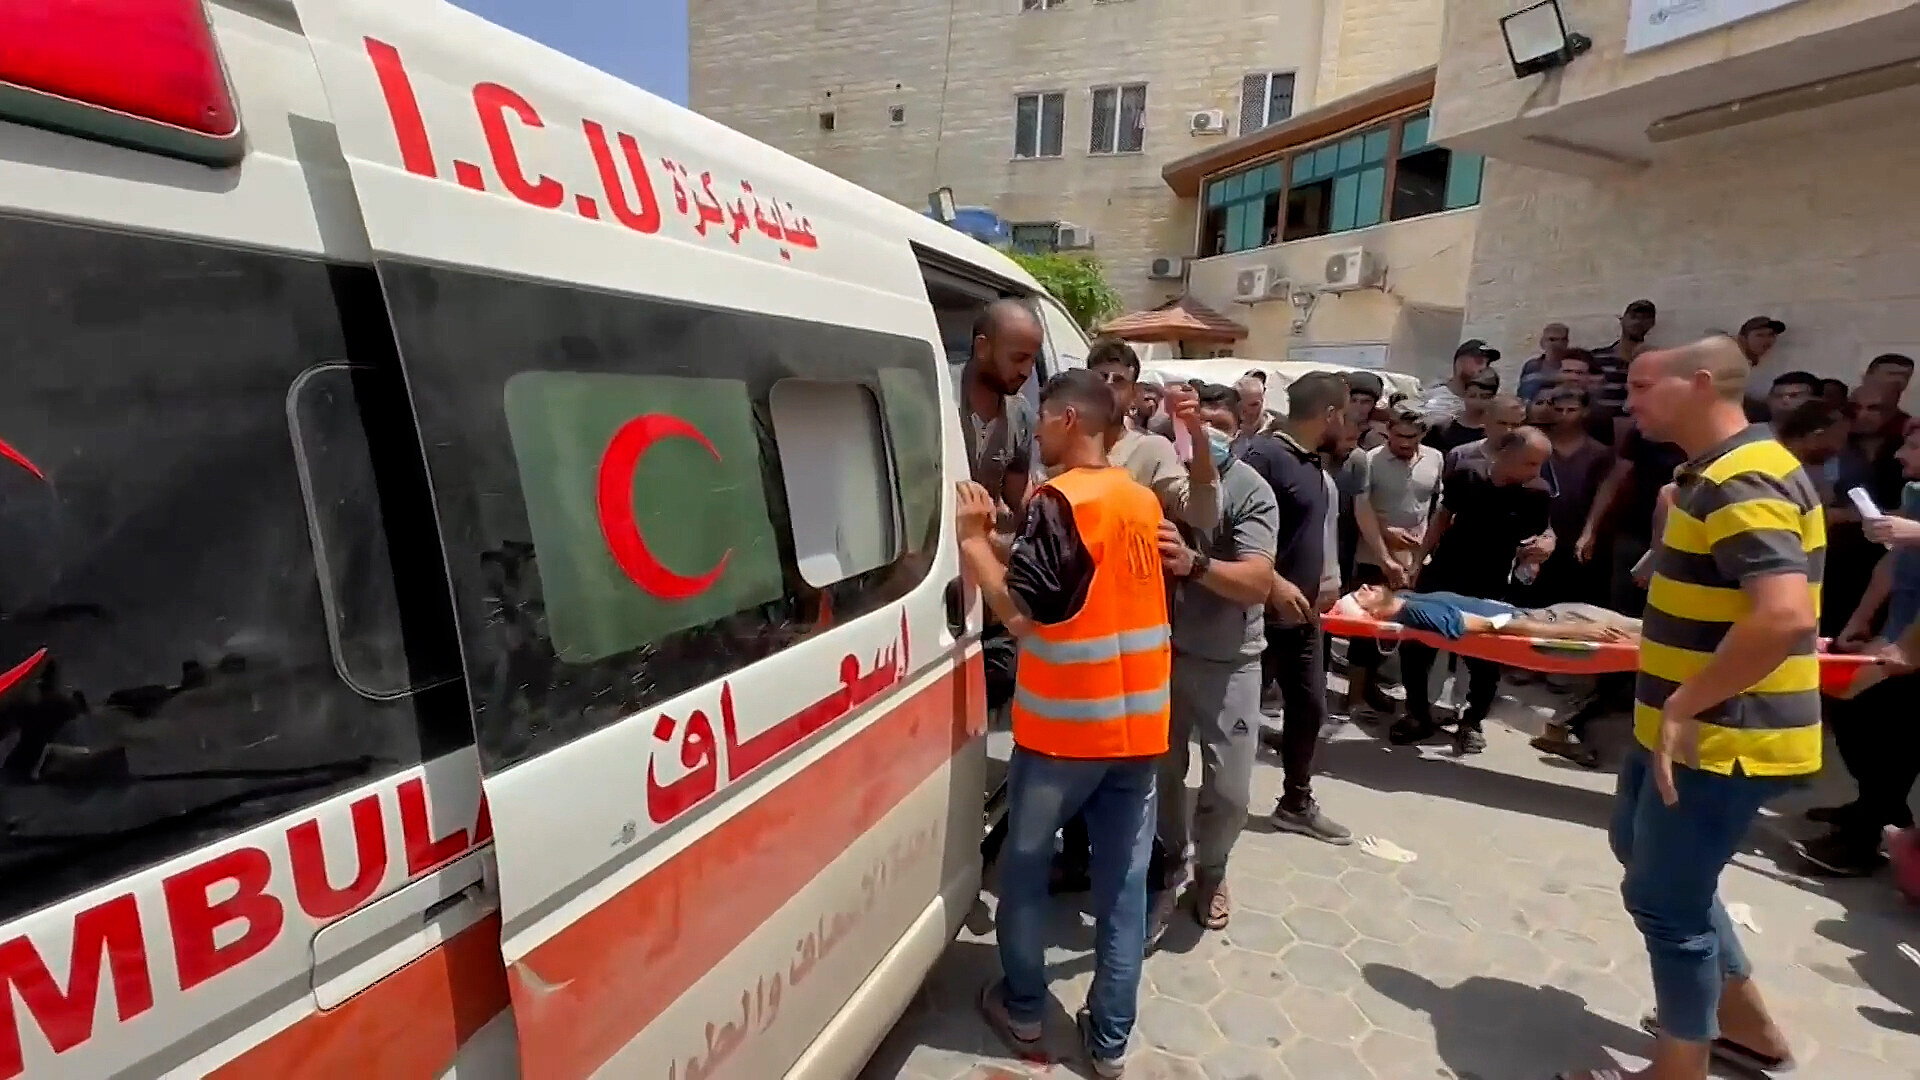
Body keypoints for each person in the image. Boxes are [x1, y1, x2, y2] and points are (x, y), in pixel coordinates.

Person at [1556, 335, 1813, 1080]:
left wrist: (1683, 707)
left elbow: (1783, 615)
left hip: (1717, 735)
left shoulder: (1744, 477)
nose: (1625, 402)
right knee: (1645, 859)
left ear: (1700, 384)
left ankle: (1678, 1069)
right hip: (1680, 732)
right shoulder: (1713, 473)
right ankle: (1748, 1030)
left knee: (1666, 903)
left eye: (1641, 386)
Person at [960, 368, 1173, 1076]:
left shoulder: (1060, 499)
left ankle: (1024, 1009)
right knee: (1122, 889)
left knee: (1022, 873)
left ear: (1069, 420)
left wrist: (973, 544)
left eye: (1043, 419)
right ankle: (1109, 1045)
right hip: (1138, 731)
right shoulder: (1138, 500)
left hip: (1064, 734)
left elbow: (1024, 616)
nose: (1037, 433)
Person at [1053, 339, 1220, 895]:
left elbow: (1201, 510)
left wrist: (1195, 435)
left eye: (1118, 380)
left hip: (1131, 629)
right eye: (1099, 378)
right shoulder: (1060, 441)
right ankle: (1077, 855)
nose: (1108, 388)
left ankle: (1134, 865)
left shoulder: (1149, 452)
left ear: (1133, 390)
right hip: (1070, 625)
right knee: (1074, 742)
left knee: (1128, 754)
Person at [1153, 383, 1279, 934]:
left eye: (1219, 428)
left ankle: (1212, 868)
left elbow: (1257, 581)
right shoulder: (1161, 477)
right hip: (1161, 653)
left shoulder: (1252, 490)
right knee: (1161, 770)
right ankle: (1170, 856)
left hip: (1229, 660)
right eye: (1194, 426)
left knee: (1228, 792)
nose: (1206, 437)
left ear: (1239, 432)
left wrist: (1195, 564)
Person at [1389, 427, 1552, 754]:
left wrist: (1545, 546)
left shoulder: (1536, 492)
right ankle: (1417, 713)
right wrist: (1418, 561)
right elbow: (1442, 517)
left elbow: (1544, 532)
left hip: (1490, 584)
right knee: (1416, 647)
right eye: (1530, 463)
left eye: (1540, 464)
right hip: (1444, 575)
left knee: (1485, 658)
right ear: (1507, 453)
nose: (1536, 471)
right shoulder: (1468, 475)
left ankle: (1472, 721)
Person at [1241, 372, 1351, 844]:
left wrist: (1325, 581)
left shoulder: (1310, 462)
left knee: (1308, 708)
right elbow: (1229, 532)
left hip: (1302, 619)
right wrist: (1273, 584)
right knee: (1233, 721)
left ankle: (1296, 802)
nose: (1347, 423)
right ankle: (1204, 813)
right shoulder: (1263, 457)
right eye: (1344, 414)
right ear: (1329, 414)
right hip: (1255, 618)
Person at [1814, 424, 1920, 875]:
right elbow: (1892, 564)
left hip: (1914, 644)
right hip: (1899, 632)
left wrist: (1909, 647)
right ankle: (1875, 812)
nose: (1900, 453)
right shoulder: (1914, 493)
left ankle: (1867, 838)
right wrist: (1859, 620)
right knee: (1854, 714)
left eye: (1914, 445)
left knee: (1893, 741)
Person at [959, 300, 1041, 714]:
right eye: (1018, 358)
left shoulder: (1020, 415)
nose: (1027, 371)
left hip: (985, 573)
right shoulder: (937, 395)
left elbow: (1018, 498)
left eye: (1032, 360)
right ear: (983, 347)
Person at [1349, 407, 1445, 712]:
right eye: (1399, 435)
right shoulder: (1369, 460)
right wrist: (1385, 548)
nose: (1404, 443)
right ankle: (1355, 698)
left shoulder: (1435, 459)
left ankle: (1382, 691)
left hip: (1415, 560)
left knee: (1405, 631)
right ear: (1388, 431)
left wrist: (1425, 550)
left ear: (1422, 434)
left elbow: (1437, 506)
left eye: (1411, 437)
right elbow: (1360, 508)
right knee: (1366, 631)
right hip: (1374, 557)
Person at [1335, 583, 1639, 643]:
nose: (1363, 586)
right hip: (1552, 620)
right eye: (1360, 597)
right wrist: (1576, 632)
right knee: (1653, 635)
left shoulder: (1405, 599)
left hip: (1546, 614)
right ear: (1373, 616)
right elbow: (1494, 626)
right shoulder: (1416, 612)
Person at [1588, 299, 1658, 422]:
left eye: (1645, 318)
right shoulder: (1597, 357)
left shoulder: (1655, 360)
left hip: (1638, 426)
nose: (1638, 322)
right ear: (1622, 320)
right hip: (1601, 425)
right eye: (1633, 316)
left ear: (1652, 324)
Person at [1416, 340, 1501, 425]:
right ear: (1460, 361)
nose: (1483, 367)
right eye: (1479, 361)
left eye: (1487, 363)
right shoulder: (1436, 398)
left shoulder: (1492, 400)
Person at [1424, 369, 1501, 453]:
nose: (1477, 402)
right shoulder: (1442, 430)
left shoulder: (1499, 431)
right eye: (1472, 396)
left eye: (1485, 397)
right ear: (1463, 395)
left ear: (1494, 398)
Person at [1516, 321, 1574, 403]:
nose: (1557, 344)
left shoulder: (1574, 365)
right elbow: (1523, 395)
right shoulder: (1532, 366)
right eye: (1552, 339)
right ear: (1542, 342)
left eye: (1562, 340)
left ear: (1566, 342)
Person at [1344, 371, 1387, 451]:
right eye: (1353, 400)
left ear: (1373, 404)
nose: (1358, 406)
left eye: (1365, 402)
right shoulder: (1330, 427)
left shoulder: (1376, 435)